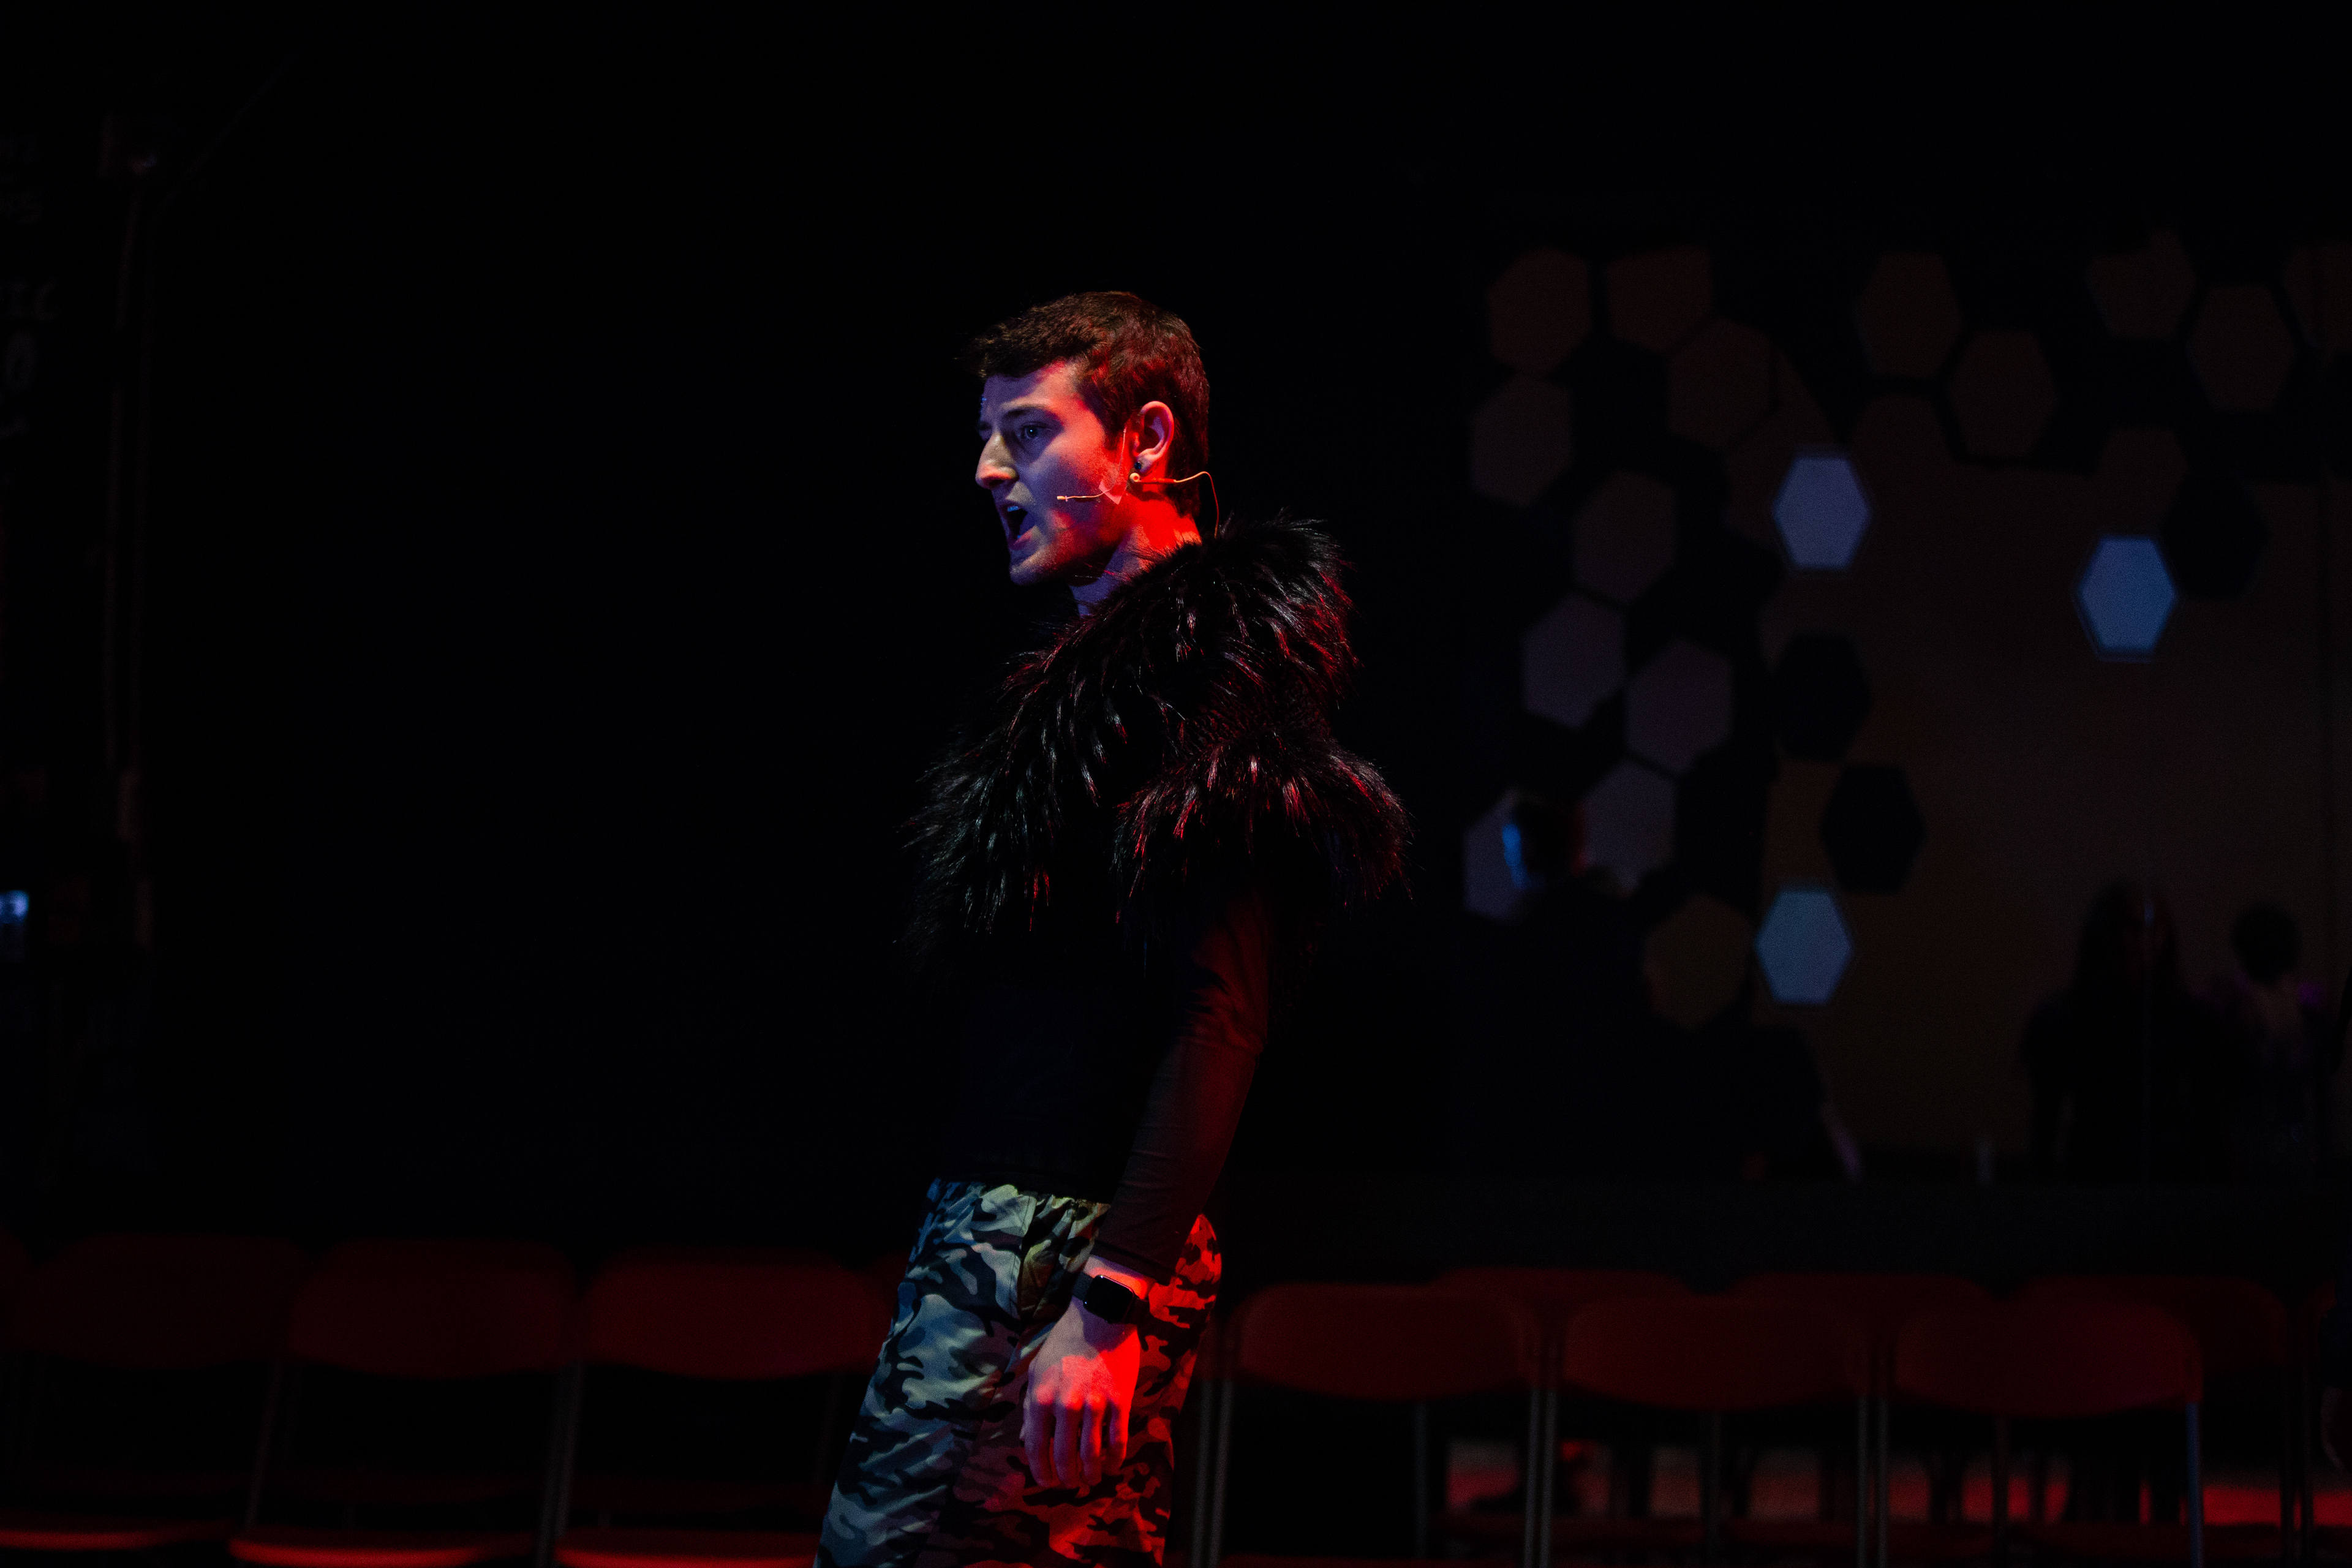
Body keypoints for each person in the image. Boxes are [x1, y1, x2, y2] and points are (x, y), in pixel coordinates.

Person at [816, 293, 1408, 1566]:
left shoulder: (1213, 679)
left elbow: (1221, 1014)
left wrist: (1110, 1302)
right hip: (1019, 1229)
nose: (991, 470)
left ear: (1144, 441)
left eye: (1029, 432)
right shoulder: (1103, 689)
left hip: (1064, 1245)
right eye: (989, 436)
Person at [2021, 881, 2226, 1182]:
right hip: (2094, 1177)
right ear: (2106, 934)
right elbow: (2046, 1121)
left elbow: (2210, 1117)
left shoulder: (2192, 1018)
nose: (2147, 940)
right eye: (2134, 927)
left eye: (2157, 927)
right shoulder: (2062, 1018)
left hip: (2173, 1178)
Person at [2208, 902, 2338, 1180]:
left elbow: (2323, 1091)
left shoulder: (2309, 1007)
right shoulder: (2232, 1007)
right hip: (2255, 1148)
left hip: (2287, 1147)